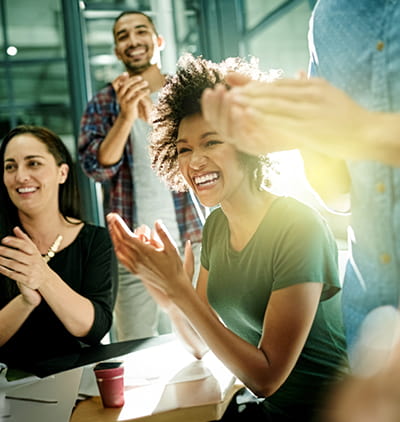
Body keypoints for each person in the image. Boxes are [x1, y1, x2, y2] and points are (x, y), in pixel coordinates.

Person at [106, 54, 348, 422]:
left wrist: (182, 291)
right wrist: (172, 300)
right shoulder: (217, 226)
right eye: (184, 149)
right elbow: (202, 343)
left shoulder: (298, 227)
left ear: (247, 144)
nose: (194, 161)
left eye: (211, 142)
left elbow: (266, 378)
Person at [200, 1, 400, 355]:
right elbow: (340, 196)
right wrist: (300, 137)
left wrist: (364, 131)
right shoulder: (330, 18)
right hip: (370, 333)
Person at [78, 11, 203, 341]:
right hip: (133, 248)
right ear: (118, 51)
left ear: (157, 40)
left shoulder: (187, 93)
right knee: (134, 343)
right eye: (123, 36)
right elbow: (96, 167)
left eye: (140, 31)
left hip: (193, 239)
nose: (132, 40)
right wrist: (127, 114)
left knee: (203, 337)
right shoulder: (104, 102)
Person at [0, 125, 114, 370]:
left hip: (80, 384)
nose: (20, 176)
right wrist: (26, 302)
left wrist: (43, 277)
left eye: (33, 163)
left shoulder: (95, 241)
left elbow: (94, 329)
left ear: (62, 173)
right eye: (10, 166)